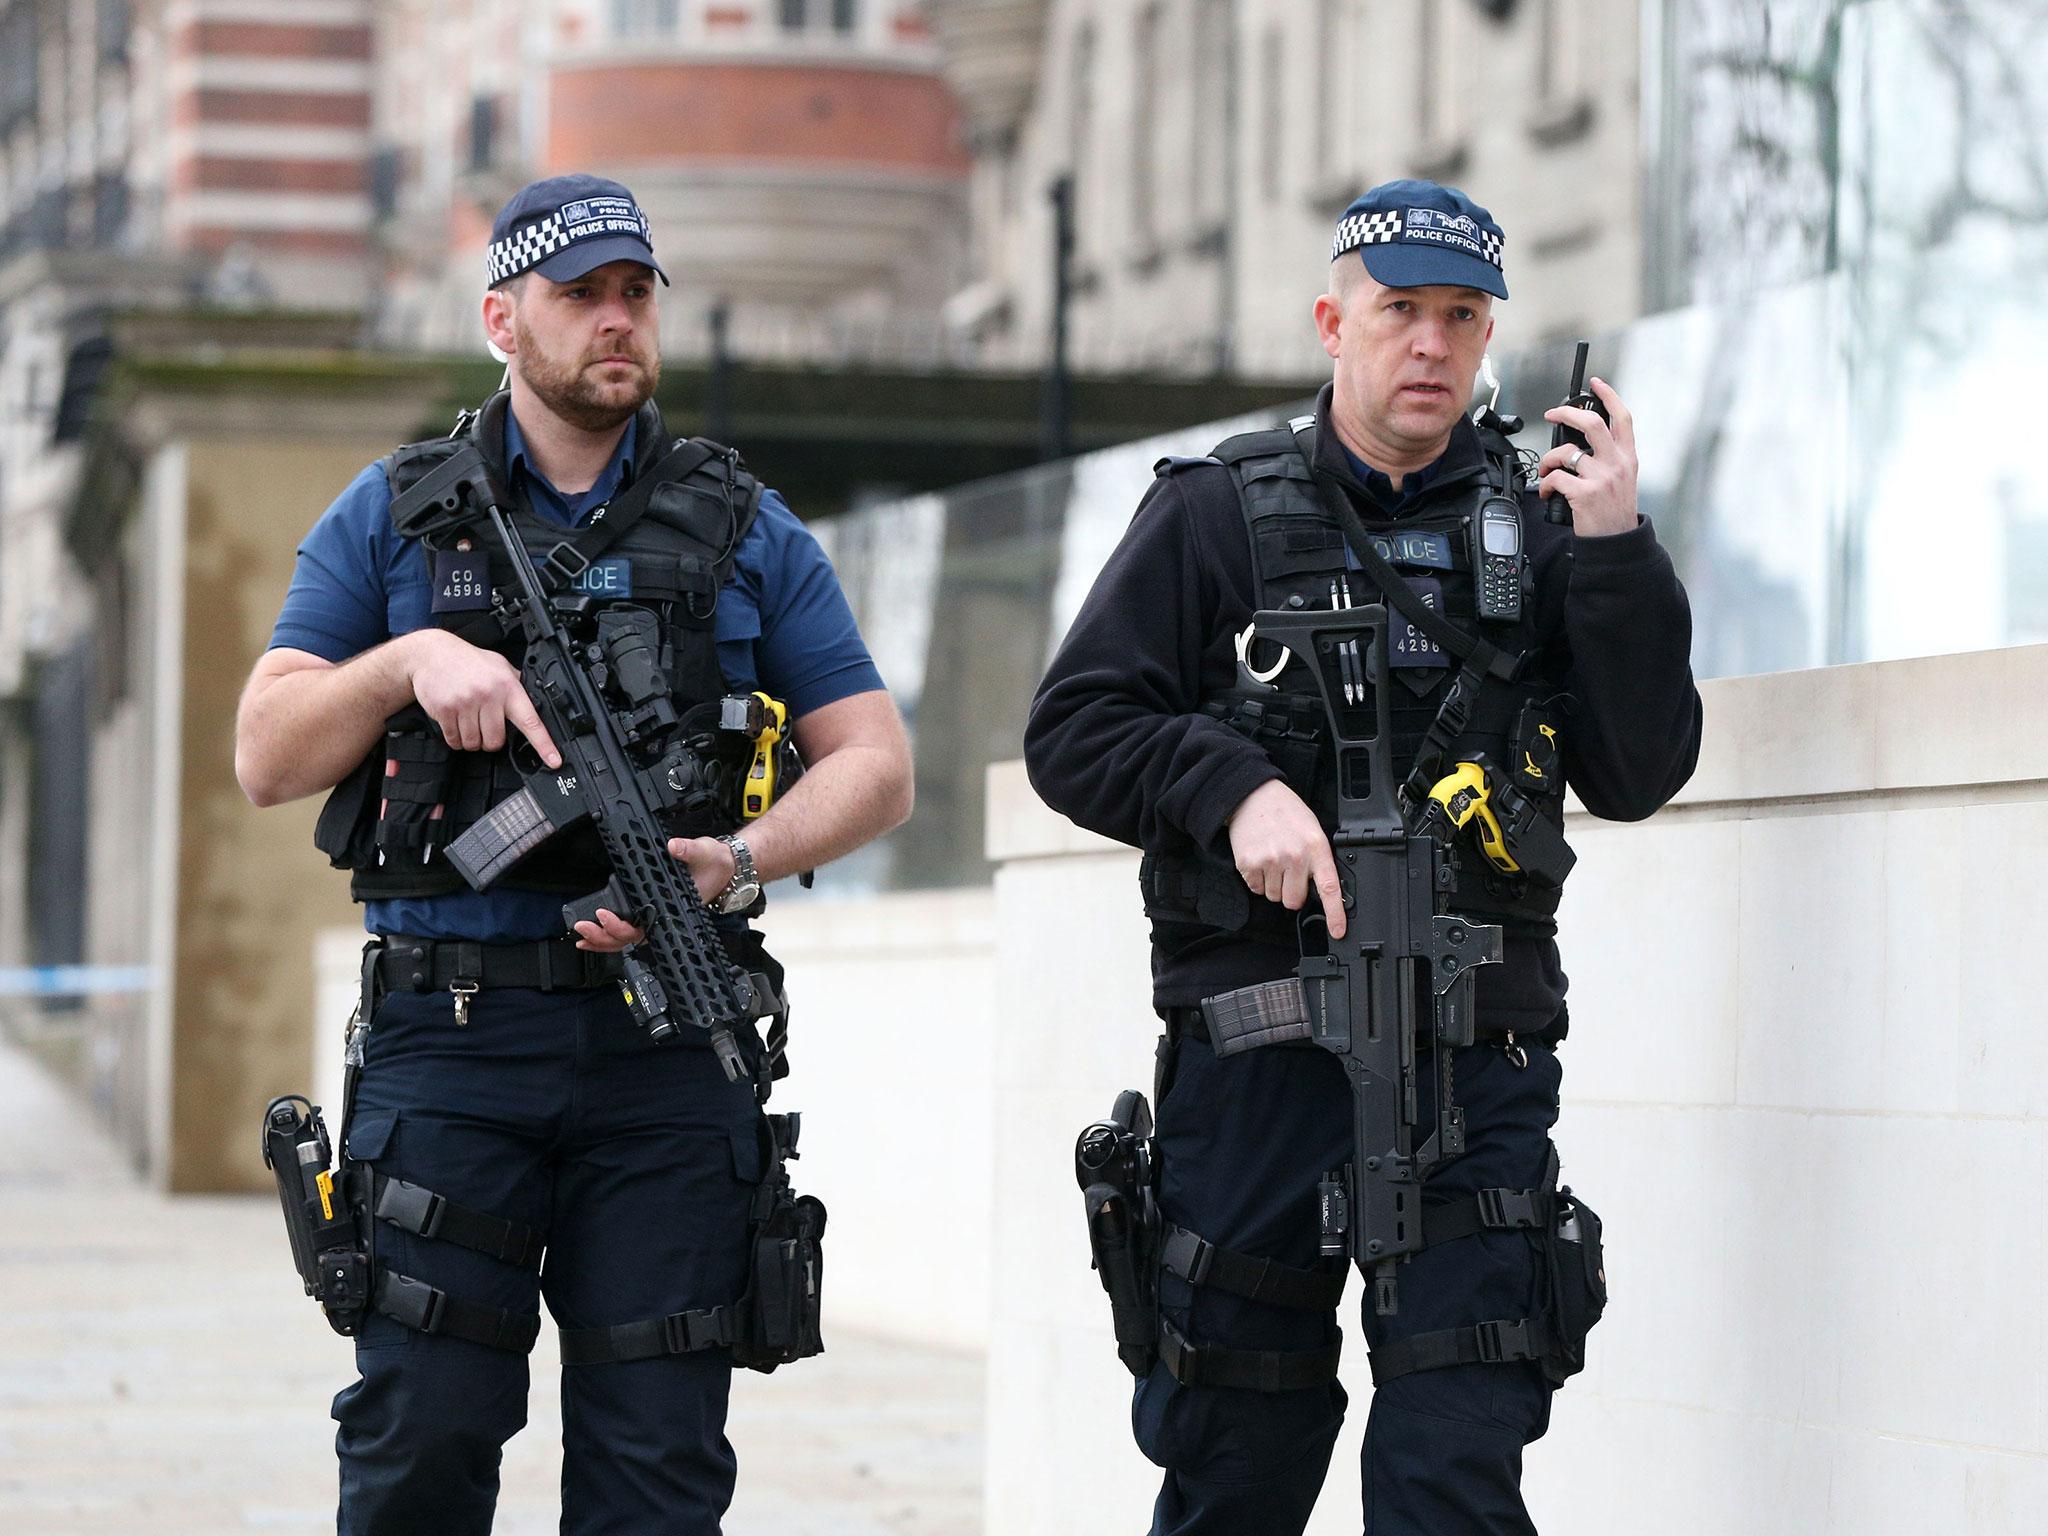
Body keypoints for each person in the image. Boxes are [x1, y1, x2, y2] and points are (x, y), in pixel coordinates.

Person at [234, 173, 912, 1536]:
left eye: (637, 294)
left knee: (657, 1471)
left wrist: (743, 854)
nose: (617, 321)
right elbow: (267, 752)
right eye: (582, 295)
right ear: (502, 317)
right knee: (419, 1442)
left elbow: (877, 764)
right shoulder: (400, 512)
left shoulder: (741, 523)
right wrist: (407, 660)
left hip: (665, 1054)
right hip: (454, 1041)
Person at [1025, 179, 1703, 1535]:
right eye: (1401, 312)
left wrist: (1619, 555)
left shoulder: (1553, 525)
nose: (1432, 346)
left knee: (1452, 1469)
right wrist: (1227, 791)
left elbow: (1640, 770)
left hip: (1474, 1062)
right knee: (1236, 1460)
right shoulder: (1218, 511)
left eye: (1462, 317)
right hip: (1259, 1055)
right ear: (1336, 322)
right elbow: (1077, 729)